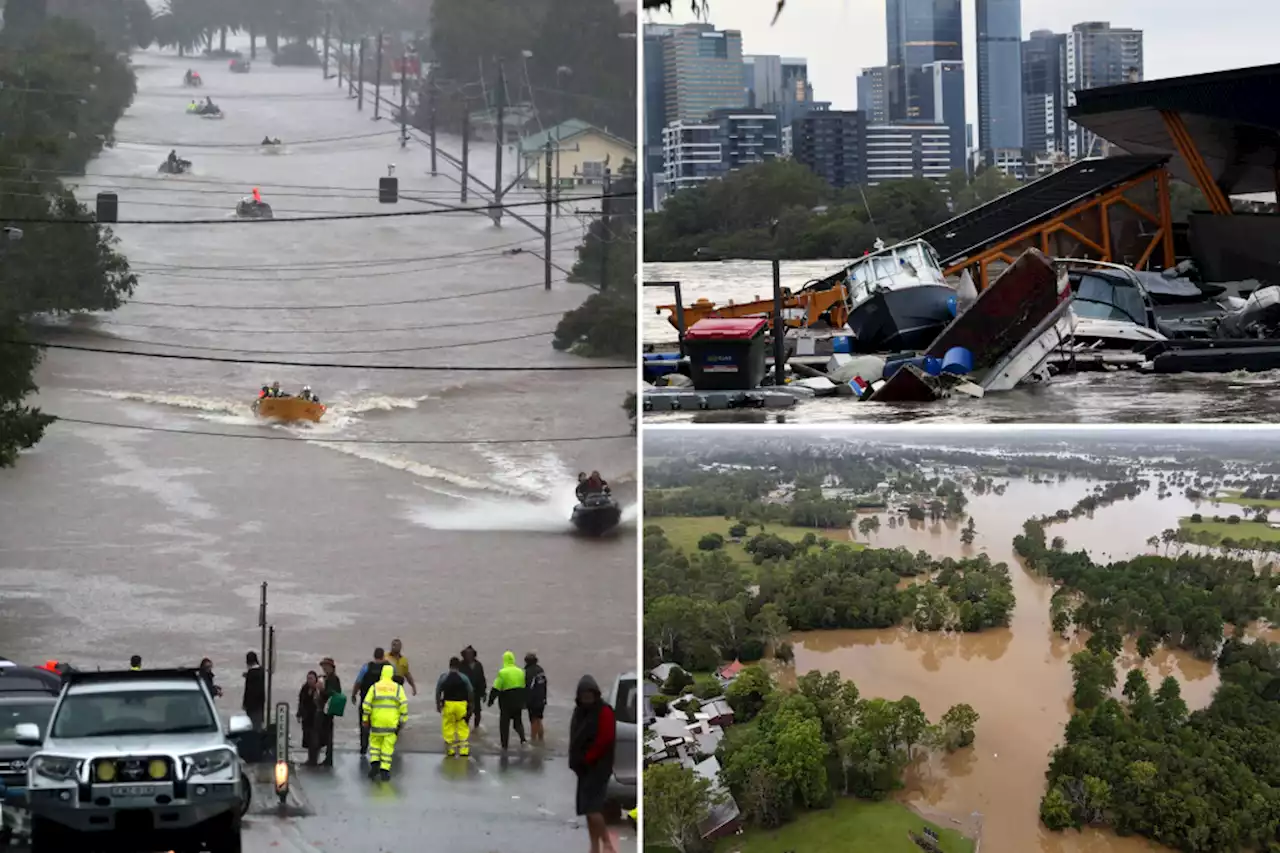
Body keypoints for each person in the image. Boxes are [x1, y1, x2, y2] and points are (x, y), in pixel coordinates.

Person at [569, 675, 618, 853]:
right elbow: (574, 737)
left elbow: (605, 739)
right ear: (579, 696)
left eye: (590, 694)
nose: (587, 698)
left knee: (593, 809)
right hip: (583, 768)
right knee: (587, 812)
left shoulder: (604, 711)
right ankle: (594, 847)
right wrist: (576, 761)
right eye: (584, 695)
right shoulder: (579, 712)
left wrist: (588, 758)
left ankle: (607, 844)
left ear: (596, 694)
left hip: (598, 767)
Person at [361, 664, 408, 781]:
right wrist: (402, 721)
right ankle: (385, 770)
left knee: (375, 745)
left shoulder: (375, 687)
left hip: (377, 721)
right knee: (387, 747)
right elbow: (404, 705)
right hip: (391, 723)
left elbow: (366, 704)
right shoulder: (398, 688)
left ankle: (374, 765)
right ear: (392, 675)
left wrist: (365, 719)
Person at [487, 651, 528, 751]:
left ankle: (504, 746)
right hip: (518, 701)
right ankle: (523, 740)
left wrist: (491, 700)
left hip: (506, 703)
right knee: (518, 722)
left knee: (504, 725)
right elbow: (524, 687)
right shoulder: (520, 671)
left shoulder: (503, 672)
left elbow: (496, 688)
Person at [353, 647, 390, 756]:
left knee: (364, 725)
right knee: (381, 727)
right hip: (383, 703)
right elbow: (396, 681)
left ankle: (364, 747)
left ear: (374, 655)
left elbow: (358, 682)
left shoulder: (366, 667)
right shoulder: (389, 667)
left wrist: (353, 694)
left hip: (366, 702)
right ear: (383, 655)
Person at [436, 657, 473, 758]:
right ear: (459, 666)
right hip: (461, 704)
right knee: (462, 726)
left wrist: (438, 705)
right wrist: (471, 705)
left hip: (448, 704)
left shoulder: (444, 677)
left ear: (449, 665)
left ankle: (450, 750)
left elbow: (438, 691)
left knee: (448, 726)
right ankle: (464, 750)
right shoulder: (464, 677)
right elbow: (470, 691)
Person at [310, 658, 342, 767]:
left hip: (328, 711)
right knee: (318, 734)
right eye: (323, 666)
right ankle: (316, 758)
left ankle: (327, 759)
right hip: (320, 709)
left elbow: (336, 693)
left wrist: (323, 690)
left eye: (326, 666)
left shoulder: (334, 679)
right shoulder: (323, 678)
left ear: (331, 667)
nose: (324, 668)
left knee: (326, 735)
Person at [458, 647, 486, 730]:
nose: (469, 656)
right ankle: (464, 730)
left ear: (474, 654)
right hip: (464, 694)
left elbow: (482, 679)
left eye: (471, 654)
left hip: (476, 692)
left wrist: (484, 693)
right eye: (467, 654)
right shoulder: (461, 665)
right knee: (466, 714)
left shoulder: (478, 665)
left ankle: (476, 729)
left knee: (478, 713)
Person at [524, 652, 547, 743]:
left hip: (534, 700)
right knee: (539, 719)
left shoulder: (529, 672)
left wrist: (526, 701)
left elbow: (529, 687)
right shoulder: (540, 670)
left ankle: (533, 740)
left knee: (533, 720)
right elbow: (544, 684)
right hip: (542, 699)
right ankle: (541, 739)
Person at [297, 671, 321, 754]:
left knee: (315, 739)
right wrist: (299, 714)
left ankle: (313, 757)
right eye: (308, 678)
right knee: (307, 737)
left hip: (315, 717)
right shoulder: (304, 688)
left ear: (315, 679)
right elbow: (301, 701)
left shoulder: (318, 689)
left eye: (311, 678)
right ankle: (310, 757)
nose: (309, 680)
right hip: (306, 717)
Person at [243, 651, 266, 731]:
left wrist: (245, 703)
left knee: (253, 726)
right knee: (258, 724)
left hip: (252, 705)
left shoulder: (251, 673)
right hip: (260, 704)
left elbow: (249, 690)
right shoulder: (261, 671)